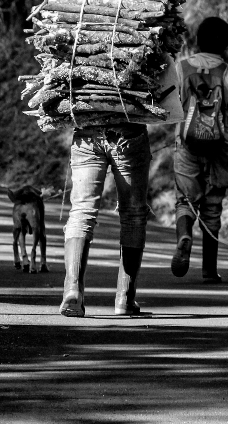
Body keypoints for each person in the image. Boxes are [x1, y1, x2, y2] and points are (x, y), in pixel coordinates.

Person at [171, 16, 228, 283]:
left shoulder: (180, 69)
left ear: (197, 39)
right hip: (219, 148)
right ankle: (209, 270)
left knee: (185, 201)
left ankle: (184, 236)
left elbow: (170, 108)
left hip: (185, 146)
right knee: (212, 208)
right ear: (225, 43)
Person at [60, 120, 151, 318]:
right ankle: (125, 298)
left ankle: (73, 288)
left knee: (82, 210)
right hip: (129, 134)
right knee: (133, 214)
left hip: (87, 134)